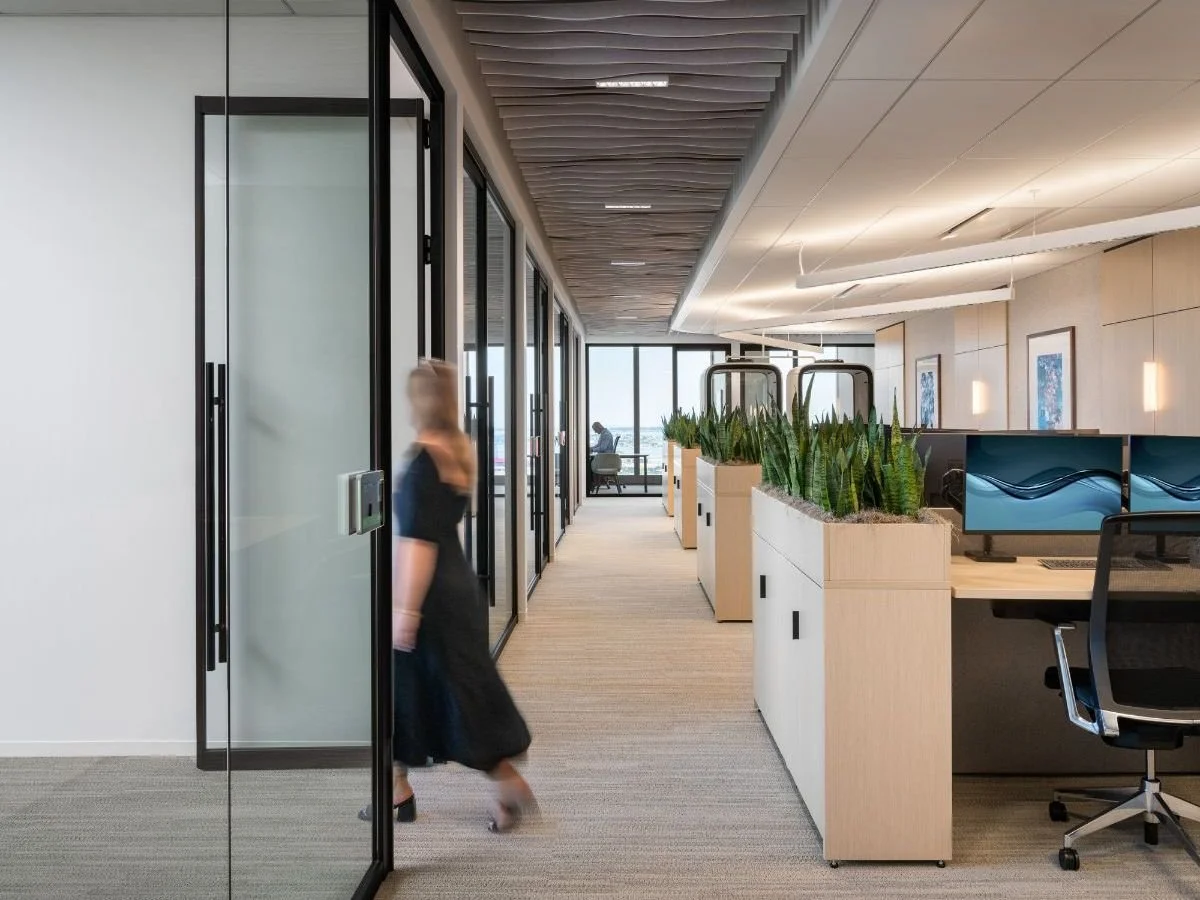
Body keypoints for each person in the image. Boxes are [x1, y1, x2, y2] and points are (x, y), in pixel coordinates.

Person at [361, 360, 534, 832]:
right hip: (458, 585)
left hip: (432, 595)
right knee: (428, 690)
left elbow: (418, 544)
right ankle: (397, 788)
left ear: (417, 402)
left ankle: (505, 780)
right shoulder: (458, 449)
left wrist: (405, 610)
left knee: (445, 693)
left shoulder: (423, 459)